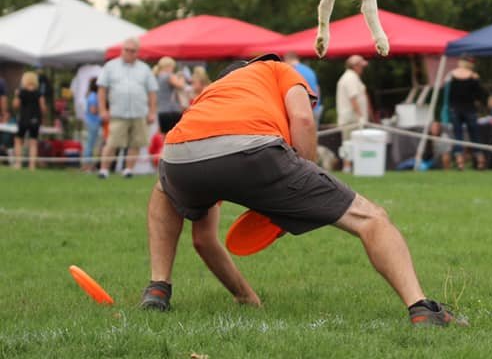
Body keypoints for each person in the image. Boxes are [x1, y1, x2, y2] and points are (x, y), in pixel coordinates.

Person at [139, 54, 462, 326]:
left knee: (163, 191)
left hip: (179, 153)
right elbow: (303, 120)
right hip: (252, 149)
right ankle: (421, 308)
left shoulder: (212, 94)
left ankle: (158, 287)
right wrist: (303, 179)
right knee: (372, 218)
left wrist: (246, 298)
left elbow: (204, 240)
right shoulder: (278, 69)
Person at [97, 37, 158, 179]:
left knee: (136, 143)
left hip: (139, 112)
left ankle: (128, 170)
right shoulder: (110, 66)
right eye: (127, 50)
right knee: (112, 142)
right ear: (122, 50)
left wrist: (152, 112)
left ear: (138, 52)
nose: (129, 53)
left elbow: (152, 91)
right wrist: (102, 110)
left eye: (133, 51)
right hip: (118, 112)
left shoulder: (144, 69)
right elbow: (101, 90)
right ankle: (104, 170)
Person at [446, 56, 488, 170]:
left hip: (455, 109)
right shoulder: (473, 76)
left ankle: (460, 163)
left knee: (457, 136)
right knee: (475, 135)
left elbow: (447, 96)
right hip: (470, 109)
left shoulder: (451, 76)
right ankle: (480, 161)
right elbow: (480, 95)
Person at [336, 55, 370, 172]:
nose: (362, 68)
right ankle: (347, 167)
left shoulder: (352, 77)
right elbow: (353, 98)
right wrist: (361, 116)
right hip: (351, 119)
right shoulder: (350, 78)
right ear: (355, 66)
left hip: (351, 118)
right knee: (348, 143)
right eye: (361, 66)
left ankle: (352, 167)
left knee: (350, 143)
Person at [12, 71, 46, 171]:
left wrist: (16, 95)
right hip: (35, 120)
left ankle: (18, 163)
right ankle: (32, 165)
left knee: (18, 140)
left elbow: (15, 105)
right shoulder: (39, 93)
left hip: (23, 119)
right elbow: (43, 108)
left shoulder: (21, 92)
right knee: (33, 142)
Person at [284, 52, 322, 122]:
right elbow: (317, 88)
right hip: (315, 107)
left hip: (303, 111)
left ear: (287, 60)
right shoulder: (309, 70)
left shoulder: (292, 71)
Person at [154, 57, 187, 135]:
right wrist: (181, 76)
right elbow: (181, 85)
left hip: (160, 110)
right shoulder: (168, 76)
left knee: (163, 135)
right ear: (169, 66)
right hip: (171, 110)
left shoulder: (157, 76)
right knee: (174, 135)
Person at [81, 78, 102, 173]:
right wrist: (102, 110)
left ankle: (89, 165)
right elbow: (93, 110)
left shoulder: (91, 95)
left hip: (92, 122)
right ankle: (86, 166)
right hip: (93, 123)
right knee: (90, 145)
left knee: (91, 145)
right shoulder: (94, 97)